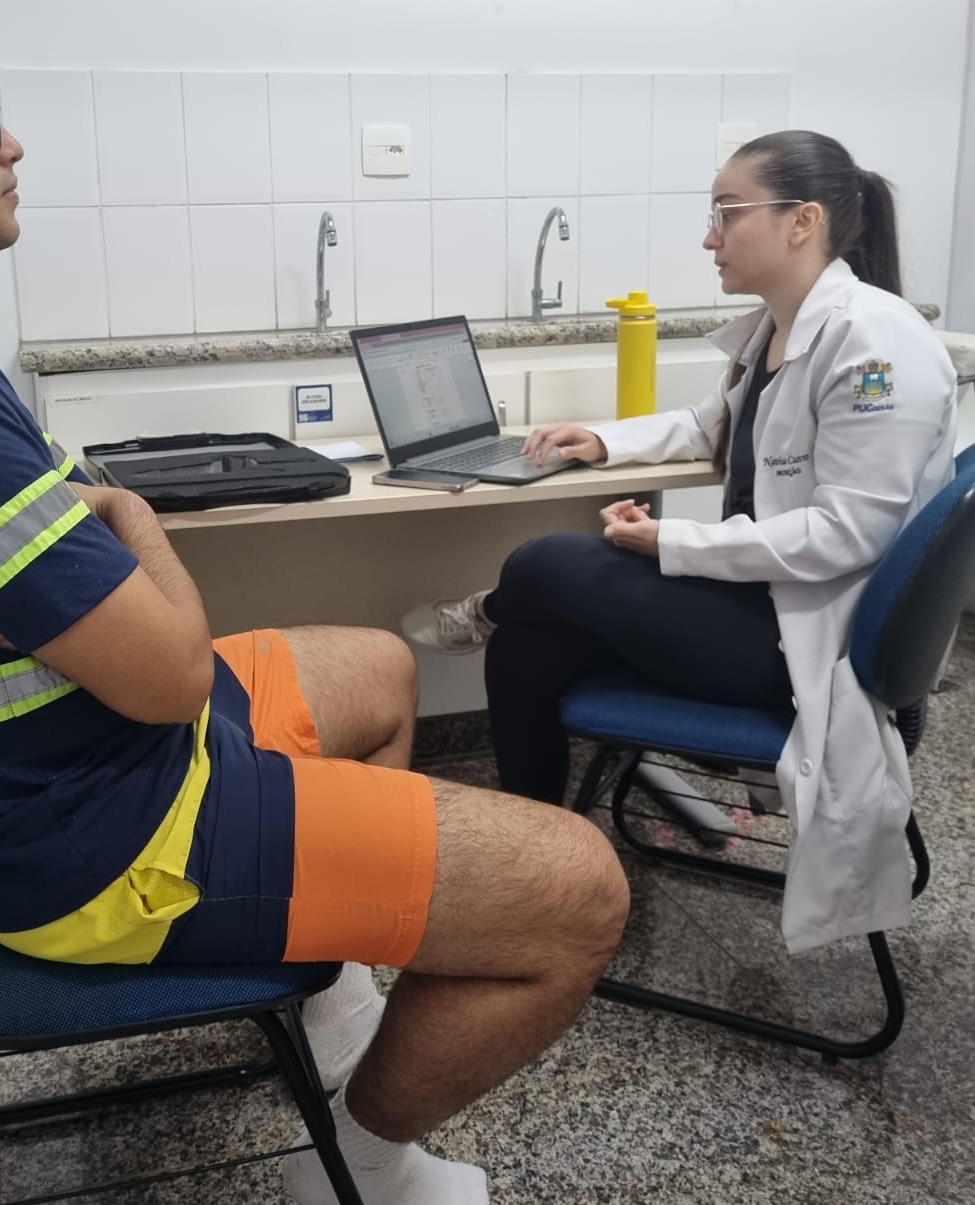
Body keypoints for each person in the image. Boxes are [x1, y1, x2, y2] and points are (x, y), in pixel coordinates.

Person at [0, 0, 629, 1205]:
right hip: (99, 839)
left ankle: (334, 1002)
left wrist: (116, 556)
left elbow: (98, 564)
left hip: (81, 762)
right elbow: (168, 670)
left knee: (381, 668)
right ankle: (367, 1169)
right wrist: (139, 528)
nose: (12, 144)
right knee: (581, 891)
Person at [405, 130, 957, 954]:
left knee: (547, 563)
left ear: (802, 220)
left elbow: (851, 532)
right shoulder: (780, 328)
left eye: (728, 213)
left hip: (803, 643)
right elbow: (711, 426)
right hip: (755, 609)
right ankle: (537, 870)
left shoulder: (877, 345)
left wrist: (673, 542)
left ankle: (487, 607)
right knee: (528, 643)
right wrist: (601, 440)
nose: (709, 237)